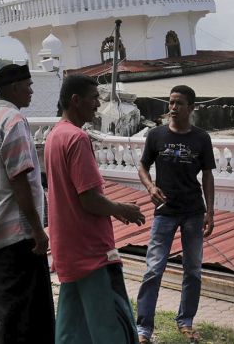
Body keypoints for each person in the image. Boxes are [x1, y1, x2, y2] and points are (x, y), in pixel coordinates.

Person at [45, 75, 146, 343]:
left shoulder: (55, 135)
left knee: (72, 325)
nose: (97, 104)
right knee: (110, 324)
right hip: (89, 248)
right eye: (93, 98)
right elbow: (89, 199)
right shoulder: (77, 139)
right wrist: (123, 209)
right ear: (76, 100)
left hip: (66, 246)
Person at [0, 63, 54, 343]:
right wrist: (37, 230)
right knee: (25, 310)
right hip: (17, 233)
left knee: (2, 301)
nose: (31, 90)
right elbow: (20, 180)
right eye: (28, 85)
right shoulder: (14, 121)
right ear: (14, 87)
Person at [135, 85, 215, 344]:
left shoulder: (201, 138)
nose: (173, 107)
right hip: (164, 213)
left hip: (193, 212)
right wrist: (150, 187)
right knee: (153, 269)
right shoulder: (156, 135)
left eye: (179, 103)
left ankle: (186, 321)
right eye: (171, 102)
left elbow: (208, 176)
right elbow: (143, 165)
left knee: (192, 270)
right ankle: (144, 328)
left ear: (191, 108)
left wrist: (210, 211)